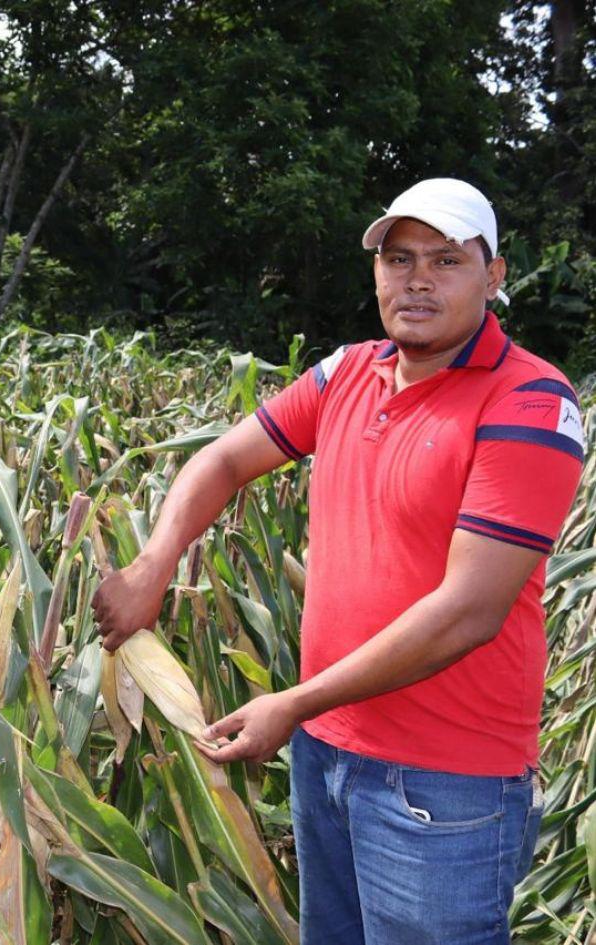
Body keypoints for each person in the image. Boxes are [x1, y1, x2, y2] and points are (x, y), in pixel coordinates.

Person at [91, 178, 584, 944]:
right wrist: (156, 561)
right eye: (398, 258)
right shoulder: (347, 372)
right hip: (326, 757)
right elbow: (222, 460)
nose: (416, 278)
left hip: (441, 787)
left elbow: (469, 610)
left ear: (495, 275)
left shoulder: (529, 404)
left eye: (446, 259)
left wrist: (293, 703)